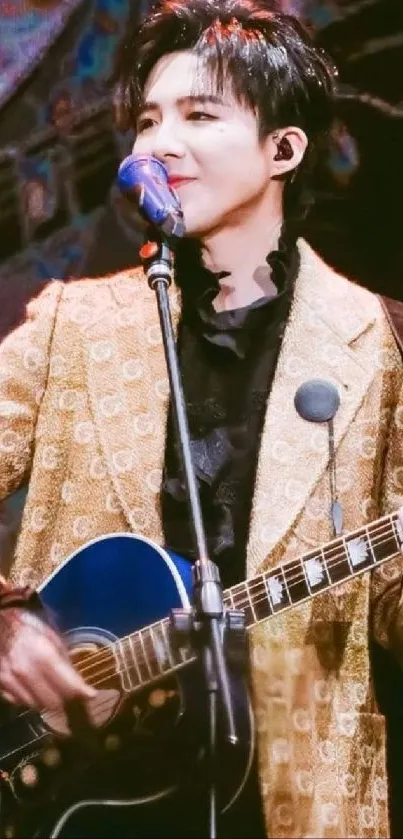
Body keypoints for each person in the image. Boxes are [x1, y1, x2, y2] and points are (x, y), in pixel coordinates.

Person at [1, 1, 403, 837]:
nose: (156, 144)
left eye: (198, 114)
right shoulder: (71, 323)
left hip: (290, 794)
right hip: (71, 796)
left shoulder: (383, 339)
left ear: (282, 149)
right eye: (148, 119)